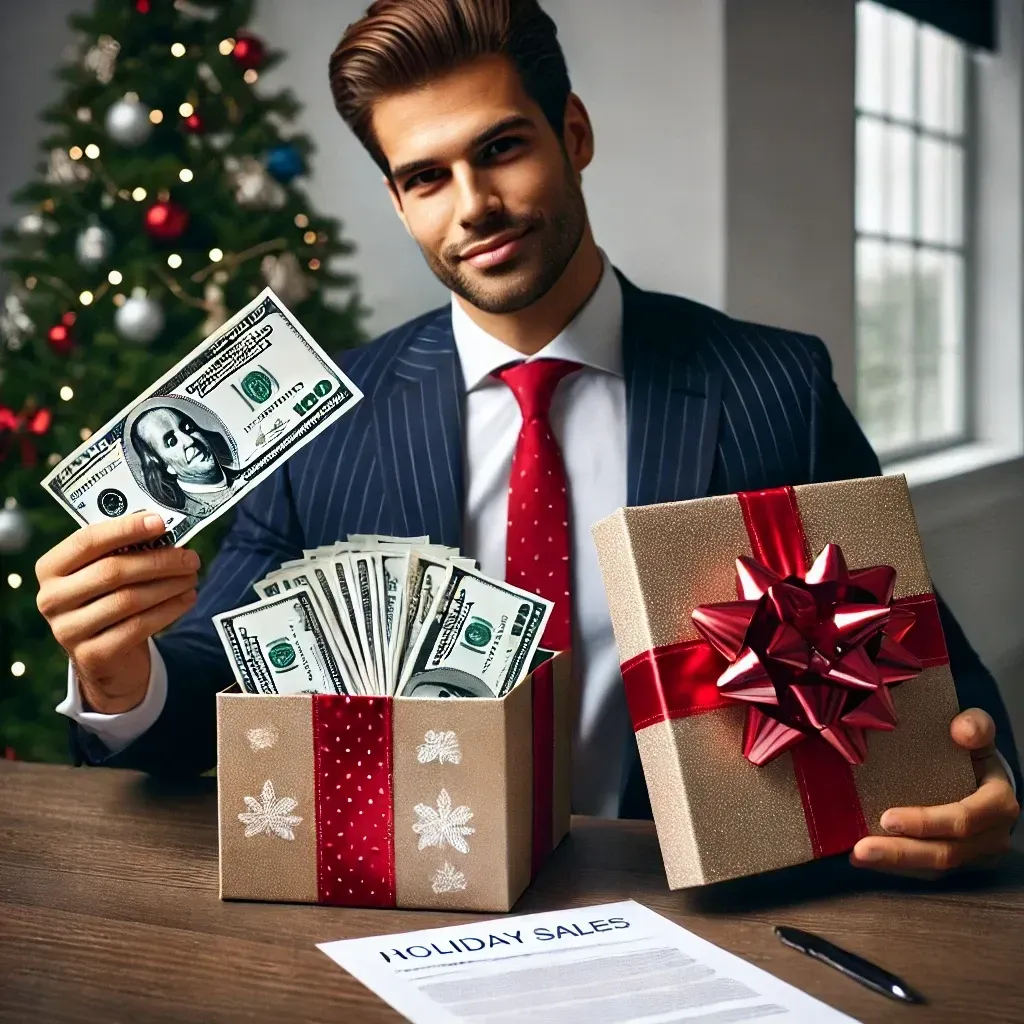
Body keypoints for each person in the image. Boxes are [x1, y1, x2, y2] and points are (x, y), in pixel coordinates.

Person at [39, 0, 1018, 878]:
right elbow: (197, 689)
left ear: (573, 133)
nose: (473, 206)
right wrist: (118, 673)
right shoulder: (323, 420)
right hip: (413, 915)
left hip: (708, 911)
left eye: (501, 148)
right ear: (397, 199)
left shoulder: (772, 386)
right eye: (425, 177)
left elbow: (934, 667)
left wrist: (985, 778)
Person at [128, 405, 242, 525]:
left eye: (188, 428)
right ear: (166, 466)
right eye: (171, 442)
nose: (189, 441)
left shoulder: (249, 474)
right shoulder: (191, 517)